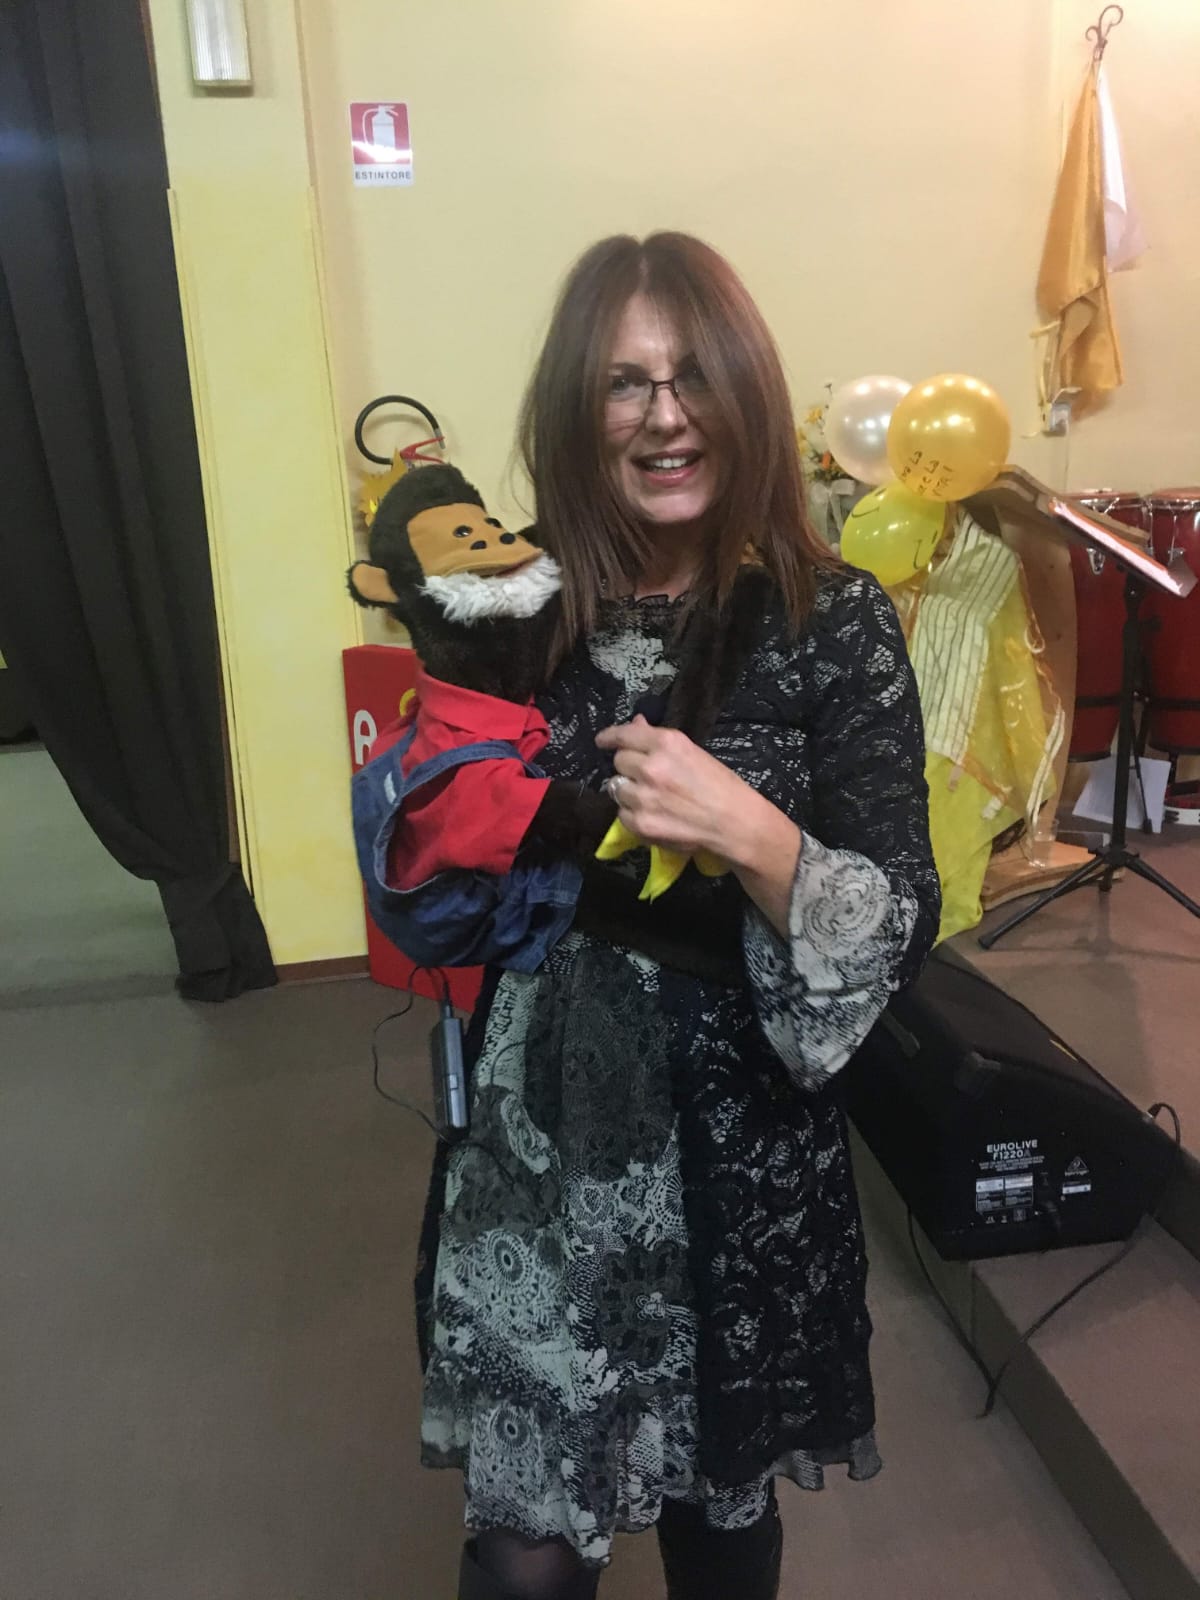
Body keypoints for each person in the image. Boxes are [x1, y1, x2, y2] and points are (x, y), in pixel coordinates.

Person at [414, 232, 940, 1600]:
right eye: (624, 382)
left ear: (747, 394)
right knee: (525, 1553)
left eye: (695, 375)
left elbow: (902, 920)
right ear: (574, 409)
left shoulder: (831, 622)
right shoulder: (516, 614)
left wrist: (752, 834)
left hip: (741, 1160)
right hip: (543, 1144)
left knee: (719, 1526)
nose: (665, 415)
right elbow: (439, 873)